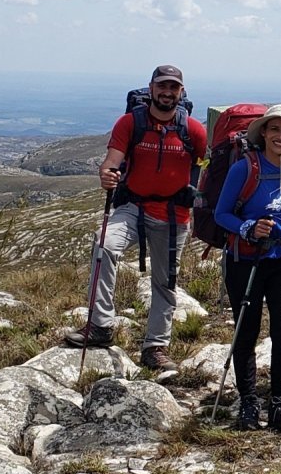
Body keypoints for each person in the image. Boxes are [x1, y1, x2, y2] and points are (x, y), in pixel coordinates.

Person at [64, 65, 208, 375]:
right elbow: (112, 161)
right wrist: (107, 174)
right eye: (162, 86)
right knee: (104, 244)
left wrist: (200, 204)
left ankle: (155, 347)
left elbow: (205, 166)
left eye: (173, 87)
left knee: (165, 281)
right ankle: (100, 325)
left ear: (181, 92)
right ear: (151, 88)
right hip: (133, 206)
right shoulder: (130, 123)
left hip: (173, 214)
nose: (167, 92)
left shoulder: (193, 130)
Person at [213, 104, 281, 431]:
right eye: (275, 129)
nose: (280, 136)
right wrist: (249, 228)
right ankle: (249, 402)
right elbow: (221, 214)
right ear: (263, 132)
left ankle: (279, 404)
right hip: (246, 261)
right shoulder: (244, 168)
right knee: (246, 332)